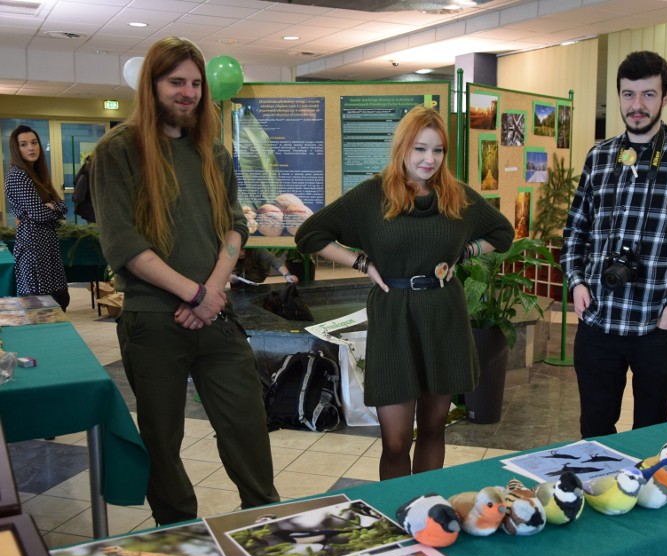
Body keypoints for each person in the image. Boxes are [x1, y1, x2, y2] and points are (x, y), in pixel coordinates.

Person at [90, 36, 279, 525]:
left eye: (195, 83)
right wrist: (193, 293)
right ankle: (177, 533)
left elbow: (236, 224)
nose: (189, 92)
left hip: (216, 316)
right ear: (152, 84)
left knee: (246, 426)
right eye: (177, 81)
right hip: (153, 320)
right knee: (161, 439)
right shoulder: (118, 150)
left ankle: (267, 522)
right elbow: (124, 245)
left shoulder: (212, 151)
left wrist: (211, 292)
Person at [295, 105, 513, 480]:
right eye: (420, 149)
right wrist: (362, 263)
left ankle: (427, 509)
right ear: (402, 149)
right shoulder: (372, 195)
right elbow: (309, 235)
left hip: (443, 315)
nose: (430, 159)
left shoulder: (456, 196)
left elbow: (502, 234)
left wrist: (466, 251)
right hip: (394, 317)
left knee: (432, 429)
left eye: (438, 150)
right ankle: (399, 513)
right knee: (395, 441)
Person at [561, 51, 667, 438]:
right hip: (598, 320)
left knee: (651, 431)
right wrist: (577, 282)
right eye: (628, 94)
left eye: (648, 94)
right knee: (594, 428)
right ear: (618, 96)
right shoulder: (599, 157)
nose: (636, 105)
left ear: (666, 97)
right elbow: (574, 232)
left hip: (656, 325)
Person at [4, 125, 70, 311]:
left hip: (47, 243)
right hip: (33, 245)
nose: (31, 148)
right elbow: (41, 214)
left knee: (60, 298)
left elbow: (62, 206)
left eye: (34, 143)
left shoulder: (37, 174)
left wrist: (53, 207)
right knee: (42, 304)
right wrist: (51, 209)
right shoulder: (18, 175)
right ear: (16, 149)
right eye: (24, 144)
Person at [230, 248, 298, 286]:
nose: (241, 253)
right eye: (238, 249)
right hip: (238, 278)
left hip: (257, 275)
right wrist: (230, 277)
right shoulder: (229, 251)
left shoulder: (257, 249)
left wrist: (287, 275)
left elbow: (274, 261)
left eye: (243, 249)